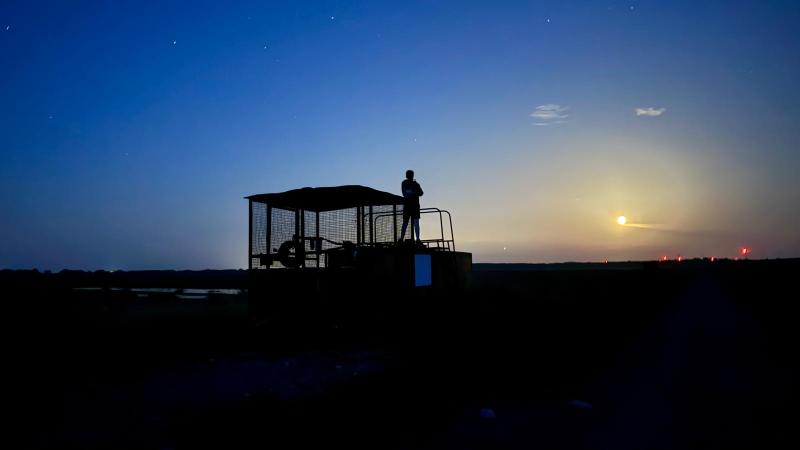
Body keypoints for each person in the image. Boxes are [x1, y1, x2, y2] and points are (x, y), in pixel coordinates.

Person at [399, 169, 423, 243]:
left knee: (413, 222)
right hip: (410, 206)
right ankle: (403, 238)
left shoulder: (415, 184)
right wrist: (414, 192)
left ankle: (417, 239)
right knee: (407, 222)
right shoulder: (410, 184)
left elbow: (421, 193)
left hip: (412, 206)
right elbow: (405, 193)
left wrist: (412, 192)